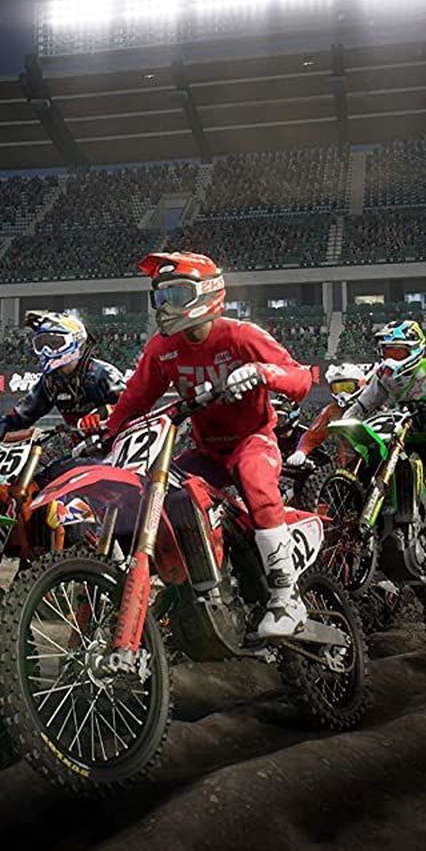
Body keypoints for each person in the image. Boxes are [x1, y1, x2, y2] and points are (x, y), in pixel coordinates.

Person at [100, 251, 314, 638]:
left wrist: (261, 371)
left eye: (177, 294)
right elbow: (134, 399)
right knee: (155, 490)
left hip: (252, 439)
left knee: (254, 477)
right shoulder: (162, 348)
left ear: (209, 292)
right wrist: (107, 434)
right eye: (161, 296)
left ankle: (287, 598)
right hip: (206, 451)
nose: (166, 306)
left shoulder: (240, 335)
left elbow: (301, 379)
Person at [293, 326, 426, 581]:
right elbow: (362, 405)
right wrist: (348, 421)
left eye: (397, 352)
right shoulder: (383, 376)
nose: (391, 358)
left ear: (414, 350)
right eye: (387, 352)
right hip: (404, 437)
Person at [0, 310, 126, 441]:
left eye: (54, 343)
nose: (47, 351)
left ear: (76, 341)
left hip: (118, 442)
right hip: (82, 447)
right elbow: (22, 413)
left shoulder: (102, 372)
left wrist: (102, 412)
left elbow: (130, 404)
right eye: (42, 345)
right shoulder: (50, 382)